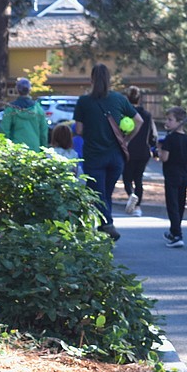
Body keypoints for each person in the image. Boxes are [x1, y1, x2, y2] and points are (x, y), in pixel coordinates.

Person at [71, 63, 142, 241]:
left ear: (91, 80)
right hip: (116, 157)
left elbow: (78, 130)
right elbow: (139, 121)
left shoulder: (84, 102)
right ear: (109, 80)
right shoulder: (119, 99)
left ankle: (108, 225)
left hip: (94, 156)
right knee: (105, 194)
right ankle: (104, 231)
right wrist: (126, 140)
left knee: (98, 194)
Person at [159, 105, 187, 248]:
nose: (167, 122)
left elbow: (164, 158)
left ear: (179, 122)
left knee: (172, 205)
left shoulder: (169, 139)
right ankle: (173, 231)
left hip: (171, 175)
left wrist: (158, 149)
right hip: (183, 175)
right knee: (180, 205)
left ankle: (177, 235)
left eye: (170, 120)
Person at [121, 86, 157, 217]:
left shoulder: (125, 115)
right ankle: (138, 207)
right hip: (143, 151)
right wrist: (154, 147)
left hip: (128, 150)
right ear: (139, 98)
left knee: (126, 178)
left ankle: (131, 194)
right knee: (138, 179)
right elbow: (152, 134)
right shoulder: (147, 115)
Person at [0, 77, 48, 150]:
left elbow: (4, 131)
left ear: (17, 90)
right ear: (30, 90)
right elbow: (43, 132)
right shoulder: (38, 109)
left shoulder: (10, 109)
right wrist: (44, 149)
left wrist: (5, 148)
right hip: (34, 149)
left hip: (16, 150)